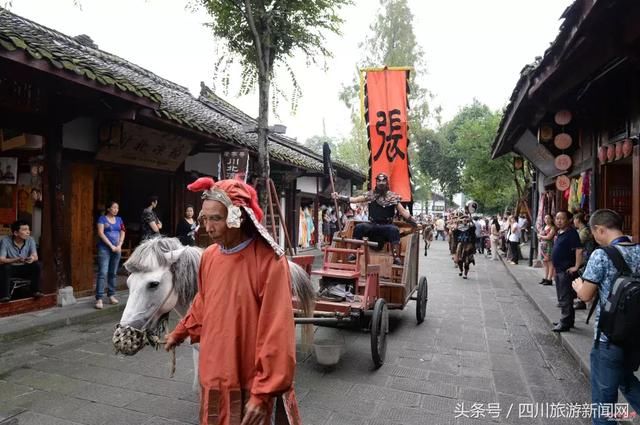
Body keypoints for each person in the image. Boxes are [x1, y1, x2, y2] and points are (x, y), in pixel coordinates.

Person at [164, 178, 299, 425]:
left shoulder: (269, 262)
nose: (208, 227)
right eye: (205, 219)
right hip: (213, 366)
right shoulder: (210, 257)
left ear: (238, 217)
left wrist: (264, 391)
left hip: (247, 372)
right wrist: (180, 331)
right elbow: (204, 301)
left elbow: (277, 331)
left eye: (215, 218)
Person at [572, 209, 640, 424]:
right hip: (636, 332)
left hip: (609, 335)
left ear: (600, 229)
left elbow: (586, 296)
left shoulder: (601, 255)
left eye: (594, 233)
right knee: (624, 378)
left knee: (604, 397)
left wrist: (578, 285)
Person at [332, 172, 416, 265]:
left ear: (386, 182)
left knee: (394, 230)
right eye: (379, 181)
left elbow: (403, 211)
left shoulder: (392, 197)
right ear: (376, 182)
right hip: (372, 225)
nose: (381, 183)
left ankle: (396, 257)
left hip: (386, 226)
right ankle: (353, 253)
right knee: (359, 227)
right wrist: (339, 197)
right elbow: (355, 199)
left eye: (383, 181)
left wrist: (413, 220)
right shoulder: (370, 195)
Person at [550, 210, 583, 332]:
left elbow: (579, 250)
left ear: (569, 220)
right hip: (559, 269)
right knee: (562, 296)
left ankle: (565, 322)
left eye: (562, 218)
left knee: (565, 297)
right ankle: (568, 320)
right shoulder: (560, 232)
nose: (558, 221)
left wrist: (576, 266)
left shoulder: (572, 233)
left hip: (566, 270)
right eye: (557, 218)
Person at [0, 220, 42, 302]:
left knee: (36, 265)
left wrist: (31, 258)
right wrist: (16, 259)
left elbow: (35, 256)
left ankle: (35, 291)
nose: (28, 232)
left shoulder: (30, 240)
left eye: (28, 229)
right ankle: (4, 296)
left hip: (24, 268)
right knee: (5, 267)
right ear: (16, 233)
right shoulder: (5, 241)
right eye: (24, 230)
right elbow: (1, 259)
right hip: (11, 269)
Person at [94, 201, 125, 309]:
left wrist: (120, 244)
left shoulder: (119, 219)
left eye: (117, 208)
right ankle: (99, 298)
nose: (116, 210)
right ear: (108, 209)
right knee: (103, 272)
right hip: (105, 249)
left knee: (113, 273)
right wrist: (111, 245)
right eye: (114, 207)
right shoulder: (102, 219)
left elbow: (123, 231)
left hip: (117, 248)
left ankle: (111, 295)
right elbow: (101, 233)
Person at [574, 211, 595, 310]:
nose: (574, 221)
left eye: (574, 219)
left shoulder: (585, 231)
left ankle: (582, 300)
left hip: (587, 256)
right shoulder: (581, 230)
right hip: (584, 256)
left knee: (583, 277)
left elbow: (577, 243)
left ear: (578, 220)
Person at [538, 214, 556, 286]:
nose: (547, 220)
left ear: (551, 219)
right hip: (543, 247)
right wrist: (540, 237)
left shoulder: (553, 228)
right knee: (545, 263)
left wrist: (540, 236)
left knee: (550, 263)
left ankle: (549, 279)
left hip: (549, 247)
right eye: (545, 218)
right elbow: (540, 236)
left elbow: (549, 237)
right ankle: (545, 278)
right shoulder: (544, 227)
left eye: (548, 218)